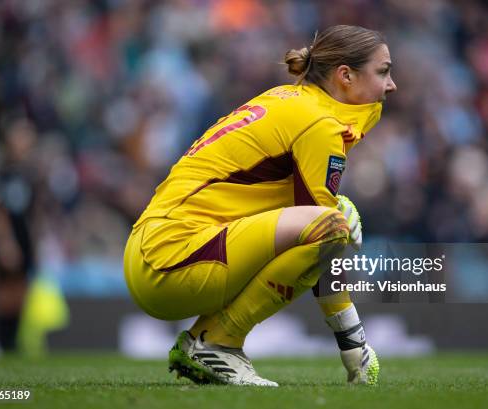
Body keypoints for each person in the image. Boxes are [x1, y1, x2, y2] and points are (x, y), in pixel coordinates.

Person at [123, 25, 397, 387]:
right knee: (332, 226)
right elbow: (324, 240)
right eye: (383, 71)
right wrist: (353, 341)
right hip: (173, 259)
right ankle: (217, 343)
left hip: (154, 251)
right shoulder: (320, 124)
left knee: (331, 219)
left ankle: (206, 344)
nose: (391, 85)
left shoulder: (290, 99)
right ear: (345, 75)